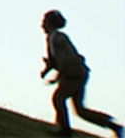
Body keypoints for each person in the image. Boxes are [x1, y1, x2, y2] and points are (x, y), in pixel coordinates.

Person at [40, 10, 122, 138]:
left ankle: (65, 131)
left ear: (50, 23)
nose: (42, 25)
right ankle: (113, 126)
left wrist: (56, 76)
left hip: (74, 75)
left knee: (58, 98)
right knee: (80, 111)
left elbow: (63, 61)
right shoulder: (53, 38)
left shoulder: (57, 38)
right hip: (76, 74)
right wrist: (47, 70)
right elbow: (54, 60)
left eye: (44, 21)